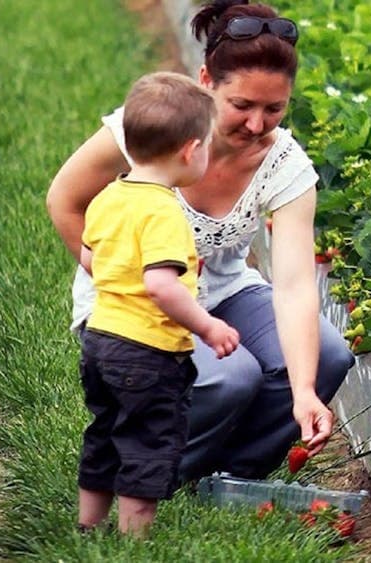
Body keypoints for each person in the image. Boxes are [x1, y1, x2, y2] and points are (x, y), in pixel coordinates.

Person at [46, 0, 355, 485]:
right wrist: (108, 273)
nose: (257, 124)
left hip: (224, 293)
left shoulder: (286, 166)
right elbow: (64, 199)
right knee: (232, 379)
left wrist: (303, 391)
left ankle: (228, 476)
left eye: (274, 108)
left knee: (329, 356)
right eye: (242, 106)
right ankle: (142, 472)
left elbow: (294, 287)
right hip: (137, 299)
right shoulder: (154, 127)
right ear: (206, 80)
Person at [76, 71, 240, 537]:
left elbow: (92, 257)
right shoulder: (164, 209)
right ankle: (135, 540)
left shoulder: (111, 194)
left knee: (105, 434)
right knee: (147, 442)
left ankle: (88, 527)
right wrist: (208, 326)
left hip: (100, 337)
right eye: (206, 145)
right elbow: (161, 287)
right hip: (147, 350)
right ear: (190, 150)